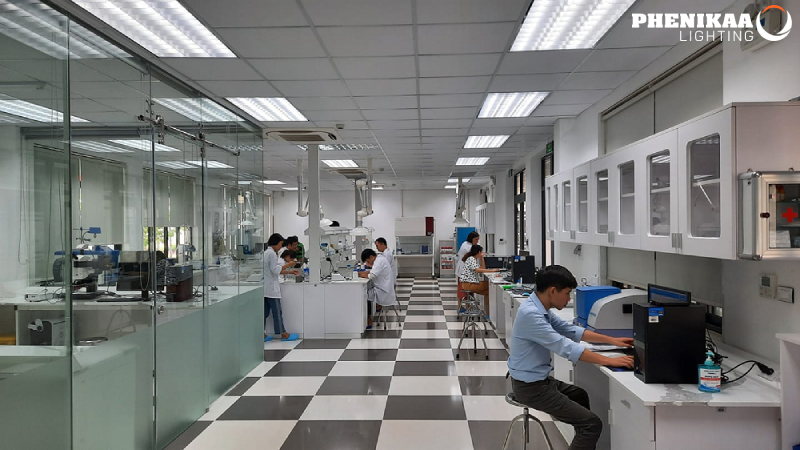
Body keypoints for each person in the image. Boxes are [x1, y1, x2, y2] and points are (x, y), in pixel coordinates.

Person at [508, 265, 634, 450]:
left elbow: (570, 330)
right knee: (591, 424)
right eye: (567, 293)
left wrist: (612, 340)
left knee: (579, 395)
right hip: (531, 389)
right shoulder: (531, 314)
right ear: (552, 291)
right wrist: (610, 360)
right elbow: (565, 347)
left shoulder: (539, 308)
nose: (568, 299)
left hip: (539, 382)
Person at [263, 233, 300, 342]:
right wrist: (289, 265)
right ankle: (283, 334)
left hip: (265, 288)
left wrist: (289, 271)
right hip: (272, 289)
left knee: (264, 313)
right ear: (276, 243)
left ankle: (262, 334)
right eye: (280, 244)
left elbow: (273, 269)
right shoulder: (271, 254)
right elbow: (275, 270)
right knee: (277, 312)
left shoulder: (266, 253)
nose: (280, 247)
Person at [358, 248, 397, 329]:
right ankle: (369, 316)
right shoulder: (380, 259)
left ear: (371, 257)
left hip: (383, 291)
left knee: (365, 295)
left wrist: (360, 275)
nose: (368, 263)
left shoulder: (379, 261)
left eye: (368, 261)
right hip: (385, 289)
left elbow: (372, 275)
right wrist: (363, 273)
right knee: (367, 293)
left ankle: (368, 319)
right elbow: (373, 271)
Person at [458, 244, 500, 315]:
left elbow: (482, 268)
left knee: (488, 292)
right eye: (481, 252)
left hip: (468, 284)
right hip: (469, 284)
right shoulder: (471, 259)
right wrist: (492, 270)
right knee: (490, 286)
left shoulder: (472, 259)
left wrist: (482, 257)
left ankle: (488, 313)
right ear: (479, 252)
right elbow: (478, 270)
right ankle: (488, 313)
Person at [456, 231, 480, 312]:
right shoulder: (469, 247)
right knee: (466, 291)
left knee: (460, 289)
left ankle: (460, 307)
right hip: (465, 271)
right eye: (476, 239)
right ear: (471, 239)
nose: (477, 241)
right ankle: (467, 308)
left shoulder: (464, 243)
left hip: (461, 270)